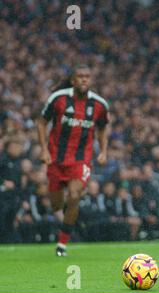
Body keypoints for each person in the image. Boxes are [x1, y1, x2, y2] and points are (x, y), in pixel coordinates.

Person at [36, 64, 110, 256]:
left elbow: (102, 127)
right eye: (80, 76)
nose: (84, 79)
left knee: (75, 195)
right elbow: (41, 122)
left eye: (87, 76)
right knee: (56, 205)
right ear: (73, 80)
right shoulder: (58, 99)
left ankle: (62, 244)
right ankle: (65, 223)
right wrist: (44, 150)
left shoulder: (99, 105)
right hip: (56, 159)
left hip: (81, 160)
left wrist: (103, 151)